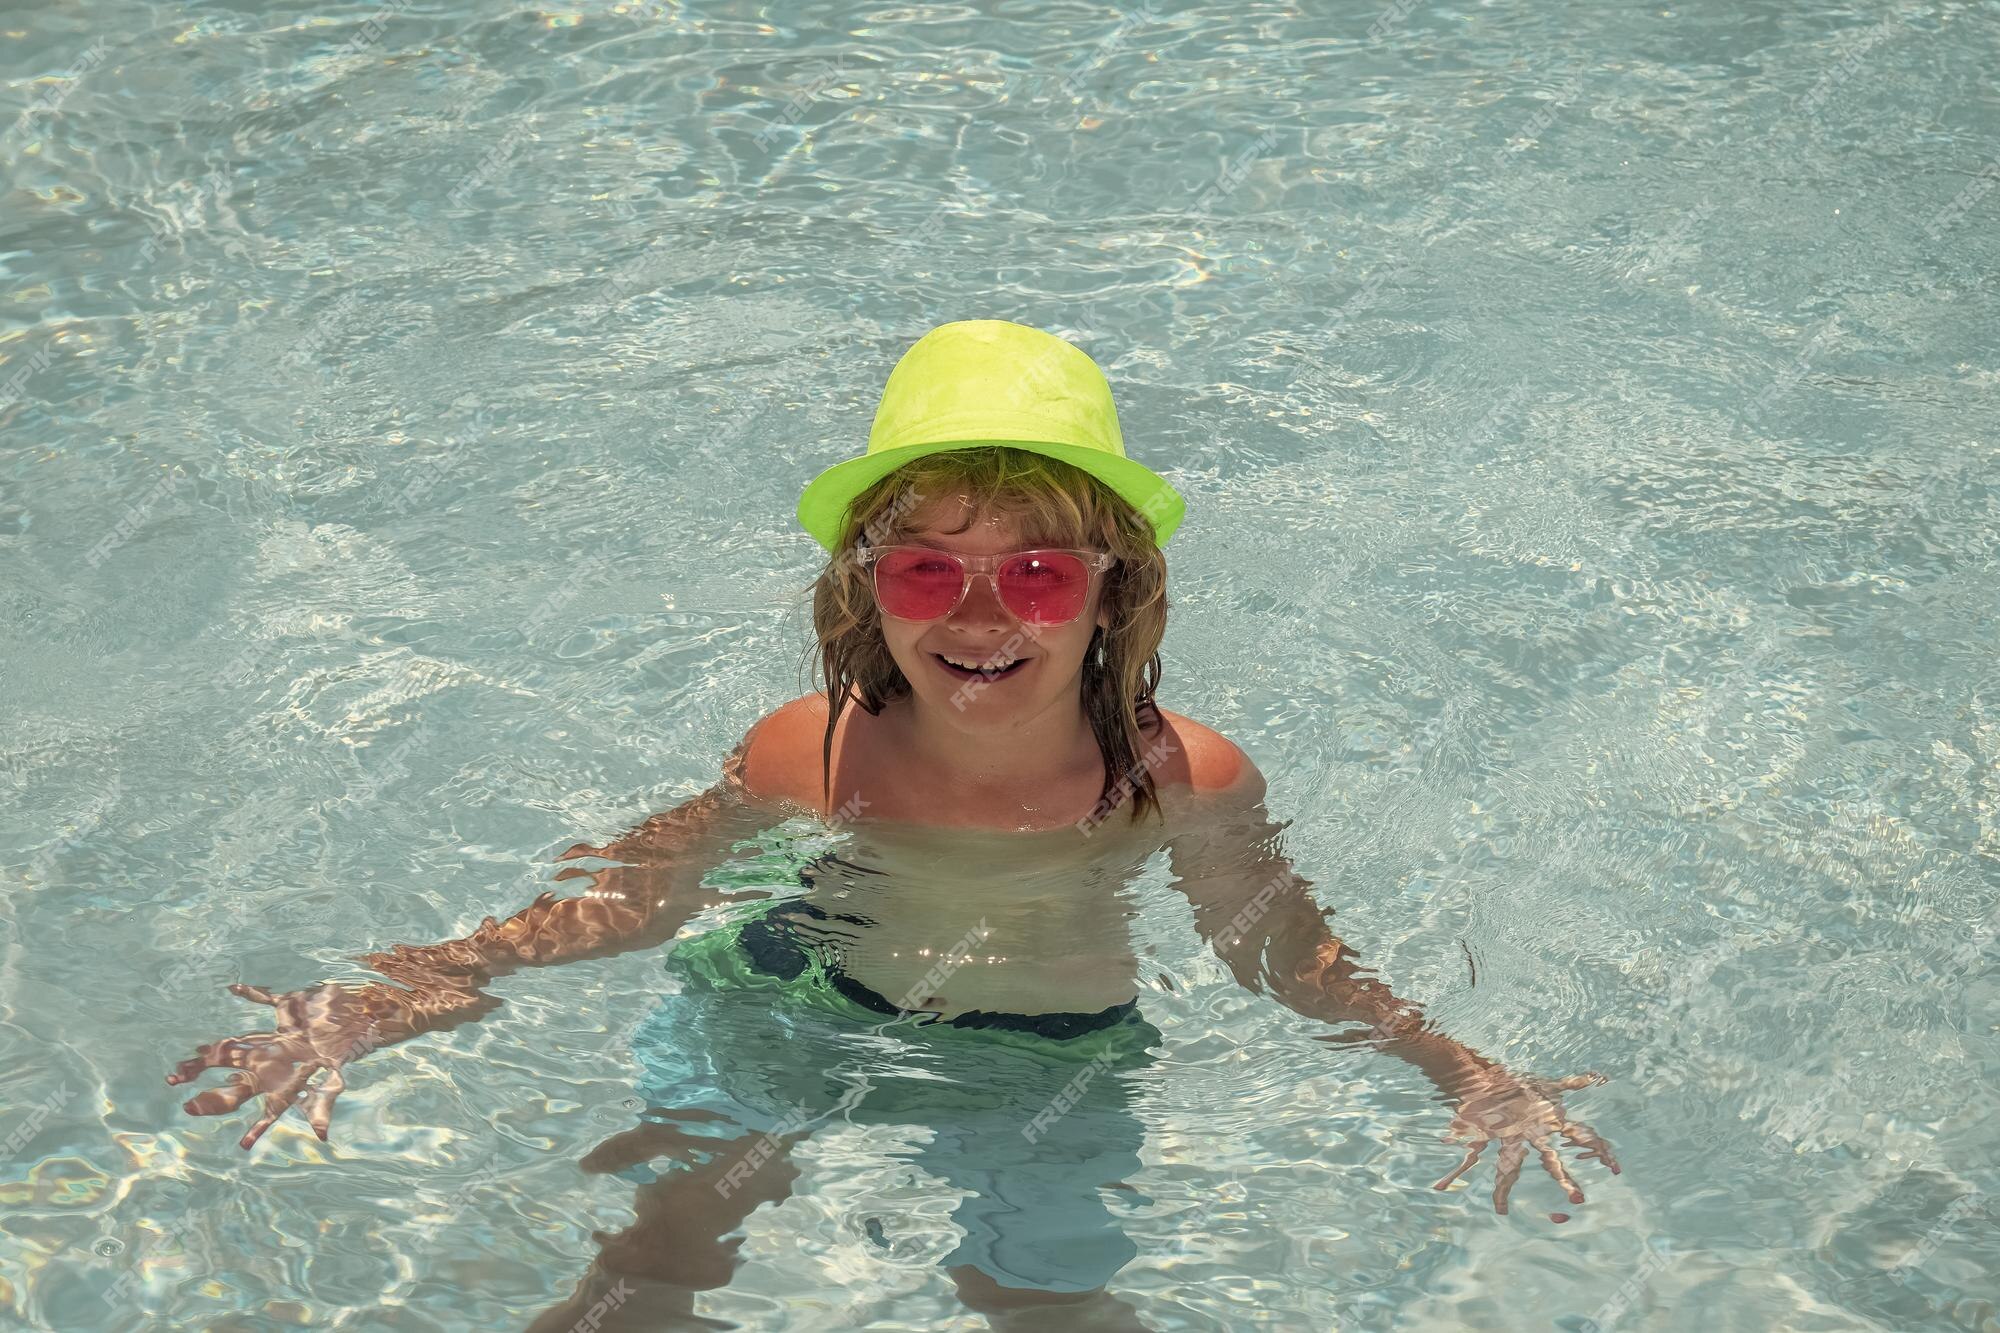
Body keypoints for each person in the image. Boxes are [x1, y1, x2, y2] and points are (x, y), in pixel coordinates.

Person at [166, 319, 1618, 1328]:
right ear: (867, 587)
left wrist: (1462, 1068)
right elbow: (628, 898)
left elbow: (1289, 956)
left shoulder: (1180, 778)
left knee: (1045, 1301)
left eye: (1039, 573)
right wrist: (386, 1000)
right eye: (930, 571)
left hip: (1046, 1062)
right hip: (788, 1007)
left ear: (1119, 588)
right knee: (652, 1257)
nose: (982, 616)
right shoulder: (813, 754)